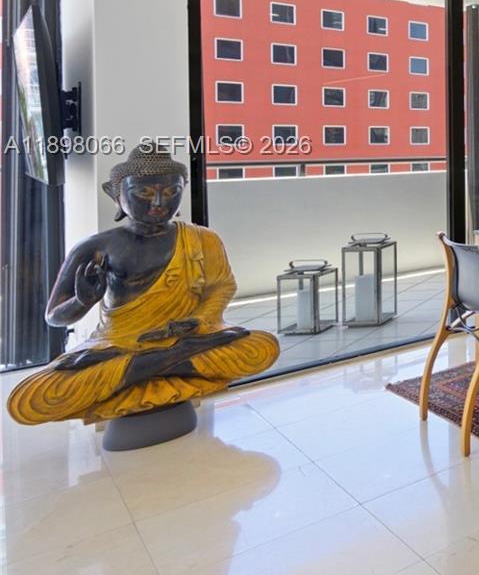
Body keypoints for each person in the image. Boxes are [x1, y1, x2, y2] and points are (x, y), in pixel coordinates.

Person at [6, 142, 278, 426]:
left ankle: (141, 369)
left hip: (182, 337)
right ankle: (170, 361)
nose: (158, 203)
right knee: (34, 396)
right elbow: (54, 317)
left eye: (171, 192)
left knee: (260, 348)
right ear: (116, 194)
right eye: (144, 193)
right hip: (120, 343)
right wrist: (82, 301)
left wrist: (198, 320)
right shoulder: (97, 246)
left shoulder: (203, 239)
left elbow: (222, 287)